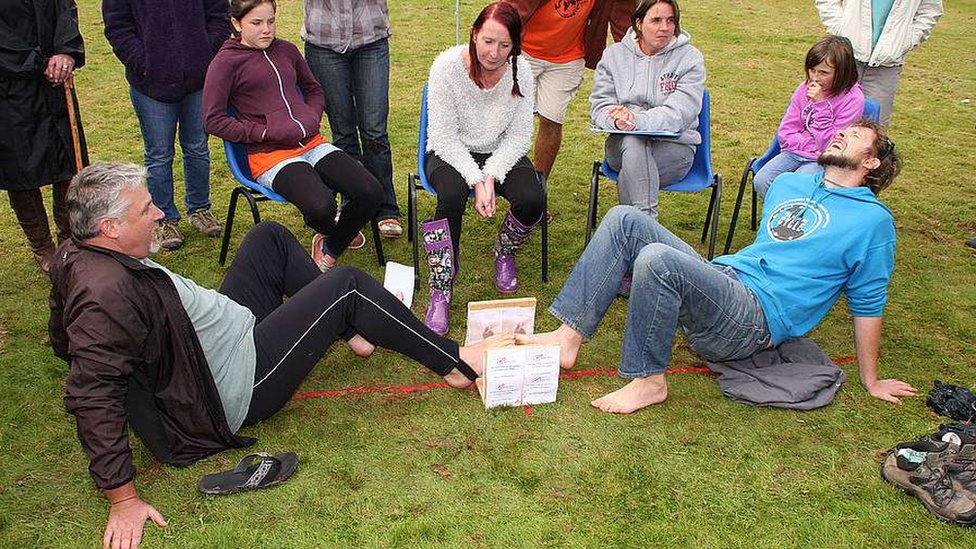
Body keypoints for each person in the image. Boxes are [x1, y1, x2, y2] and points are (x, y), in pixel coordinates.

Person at [50, 162, 503, 549]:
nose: (159, 213)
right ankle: (455, 361)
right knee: (346, 282)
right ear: (109, 227)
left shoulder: (77, 252)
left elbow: (60, 337)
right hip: (235, 385)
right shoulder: (104, 295)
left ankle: (353, 327)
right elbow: (93, 394)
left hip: (219, 338)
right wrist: (123, 499)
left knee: (268, 236)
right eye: (146, 208)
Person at [520, 120, 918, 414]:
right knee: (625, 218)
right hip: (728, 282)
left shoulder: (873, 222)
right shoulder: (790, 186)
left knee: (659, 261)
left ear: (871, 161)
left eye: (854, 137)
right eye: (842, 130)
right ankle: (567, 338)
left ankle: (649, 380)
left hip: (755, 320)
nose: (841, 134)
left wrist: (872, 378)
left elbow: (869, 303)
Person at [203, 0, 382, 271]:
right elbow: (213, 120)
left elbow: (313, 89)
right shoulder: (225, 62)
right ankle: (338, 232)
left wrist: (311, 117)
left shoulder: (287, 50)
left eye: (271, 21)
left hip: (312, 144)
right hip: (271, 156)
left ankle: (330, 247)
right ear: (236, 24)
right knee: (321, 206)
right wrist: (262, 131)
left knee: (370, 190)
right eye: (257, 23)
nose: (266, 30)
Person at [423, 1, 546, 335]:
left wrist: (490, 174)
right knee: (449, 195)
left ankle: (504, 251)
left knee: (533, 198)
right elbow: (442, 137)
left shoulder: (522, 70)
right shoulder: (447, 66)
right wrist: (475, 179)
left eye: (505, 45)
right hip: (451, 151)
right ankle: (441, 284)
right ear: (474, 34)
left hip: (499, 152)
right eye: (488, 41)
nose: (494, 52)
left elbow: (520, 135)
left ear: (514, 46)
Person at [103, 0, 227, 251]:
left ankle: (200, 208)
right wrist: (143, 62)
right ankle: (165, 218)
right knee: (159, 154)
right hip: (151, 86)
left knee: (197, 147)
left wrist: (205, 55)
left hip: (198, 80)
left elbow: (219, 15)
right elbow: (117, 25)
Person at [589, 0, 704, 218]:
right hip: (620, 148)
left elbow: (679, 113)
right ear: (639, 23)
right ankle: (647, 226)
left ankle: (639, 226)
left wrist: (635, 120)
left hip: (675, 149)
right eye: (656, 20)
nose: (665, 28)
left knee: (631, 170)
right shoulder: (614, 56)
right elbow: (599, 105)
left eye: (671, 21)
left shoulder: (690, 58)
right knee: (633, 141)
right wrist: (616, 120)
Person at [302, 0, 403, 239]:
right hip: (323, 42)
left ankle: (385, 207)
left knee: (374, 130)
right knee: (343, 132)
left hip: (371, 39)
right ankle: (353, 205)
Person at [0, 0, 88, 274]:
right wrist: (38, 63)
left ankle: (68, 239)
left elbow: (65, 9)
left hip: (54, 84)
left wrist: (65, 53)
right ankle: (42, 246)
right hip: (9, 88)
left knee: (67, 164)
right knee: (20, 172)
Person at [506, 0, 630, 180]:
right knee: (507, 115)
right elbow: (512, 9)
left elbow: (625, 20)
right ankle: (494, 178)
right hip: (524, 50)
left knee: (552, 120)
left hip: (567, 59)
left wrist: (634, 57)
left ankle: (538, 187)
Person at [753, 35, 865, 198]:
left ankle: (795, 220)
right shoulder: (804, 88)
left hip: (823, 161)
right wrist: (807, 145)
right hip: (794, 151)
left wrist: (820, 105)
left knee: (797, 186)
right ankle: (778, 217)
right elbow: (786, 130)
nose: (815, 77)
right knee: (762, 180)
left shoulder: (853, 99)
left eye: (823, 73)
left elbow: (832, 145)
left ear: (842, 72)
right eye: (812, 70)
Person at [815, 0, 942, 127]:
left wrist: (909, 39)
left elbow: (930, 9)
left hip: (886, 65)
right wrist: (839, 29)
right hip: (845, 56)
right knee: (825, 116)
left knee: (873, 127)